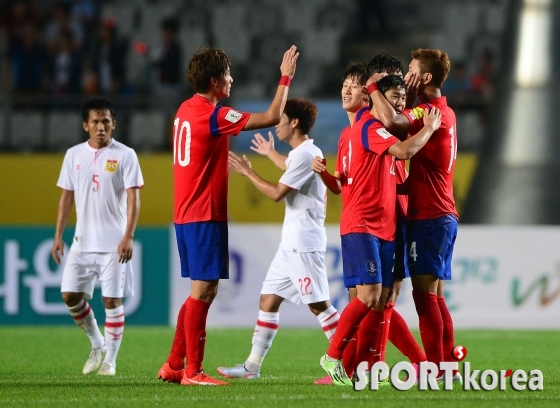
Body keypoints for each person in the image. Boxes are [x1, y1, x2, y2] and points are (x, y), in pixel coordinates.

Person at [157, 45, 299, 386]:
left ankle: (175, 364)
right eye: (229, 74)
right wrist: (286, 77)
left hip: (187, 213)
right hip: (204, 213)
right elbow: (270, 117)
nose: (232, 80)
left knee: (199, 292)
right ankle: (193, 371)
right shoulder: (213, 114)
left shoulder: (184, 110)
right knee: (203, 292)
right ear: (216, 80)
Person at [318, 73, 441, 386]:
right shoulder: (368, 128)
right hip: (363, 223)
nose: (346, 90)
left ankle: (371, 366)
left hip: (386, 225)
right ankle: (339, 360)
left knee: (381, 298)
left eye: (353, 86)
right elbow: (403, 152)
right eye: (343, 85)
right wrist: (429, 127)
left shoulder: (375, 127)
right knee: (371, 296)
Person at [216, 98, 339, 380]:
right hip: (291, 244)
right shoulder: (303, 153)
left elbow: (275, 194)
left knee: (319, 305)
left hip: (303, 244)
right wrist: (270, 152)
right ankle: (251, 368)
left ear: (294, 122)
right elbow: (289, 166)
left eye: (280, 119)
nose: (277, 124)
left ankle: (347, 364)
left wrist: (248, 171)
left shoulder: (306, 155)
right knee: (268, 301)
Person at [367, 48, 462, 384]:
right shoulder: (445, 112)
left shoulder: (428, 111)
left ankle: (437, 371)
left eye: (410, 70)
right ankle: (448, 366)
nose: (406, 76)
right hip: (442, 212)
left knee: (424, 298)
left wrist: (373, 88)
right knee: (435, 295)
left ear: (425, 78)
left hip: (430, 217)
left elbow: (392, 122)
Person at [51, 98, 144, 376]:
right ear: (85, 126)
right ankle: (97, 342)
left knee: (111, 301)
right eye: (95, 122)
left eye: (106, 121)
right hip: (82, 243)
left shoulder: (126, 155)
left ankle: (110, 361)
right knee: (69, 295)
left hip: (114, 244)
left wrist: (128, 236)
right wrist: (58, 235)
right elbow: (66, 196)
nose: (101, 127)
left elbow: (134, 198)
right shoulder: (73, 155)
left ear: (114, 123)